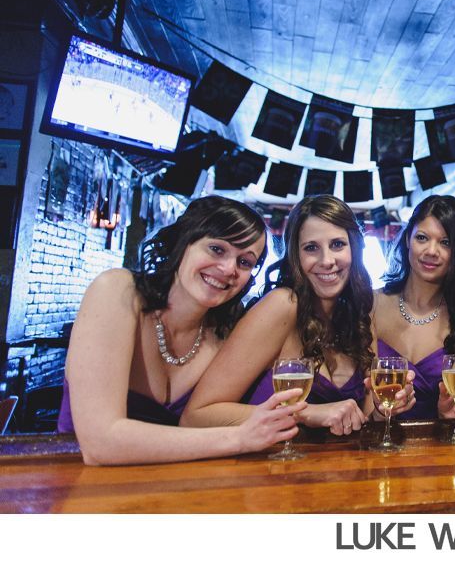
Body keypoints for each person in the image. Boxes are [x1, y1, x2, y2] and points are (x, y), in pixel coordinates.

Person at [58, 195, 302, 465]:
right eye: (217, 249)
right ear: (183, 242)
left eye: (245, 262)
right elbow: (100, 443)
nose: (229, 268)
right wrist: (239, 438)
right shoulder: (117, 291)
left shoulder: (224, 337)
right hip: (82, 485)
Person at [182, 195, 413, 435]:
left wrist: (383, 409)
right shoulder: (283, 305)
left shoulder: (359, 317)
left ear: (354, 249)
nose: (327, 261)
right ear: (296, 255)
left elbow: (361, 421)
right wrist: (305, 413)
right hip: (264, 466)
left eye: (337, 245)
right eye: (311, 248)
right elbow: (197, 416)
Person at [372, 195, 455, 420]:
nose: (431, 251)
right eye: (422, 238)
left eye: (445, 242)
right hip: (376, 446)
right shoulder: (371, 305)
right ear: (408, 239)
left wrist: (450, 411)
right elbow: (361, 400)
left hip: (440, 448)